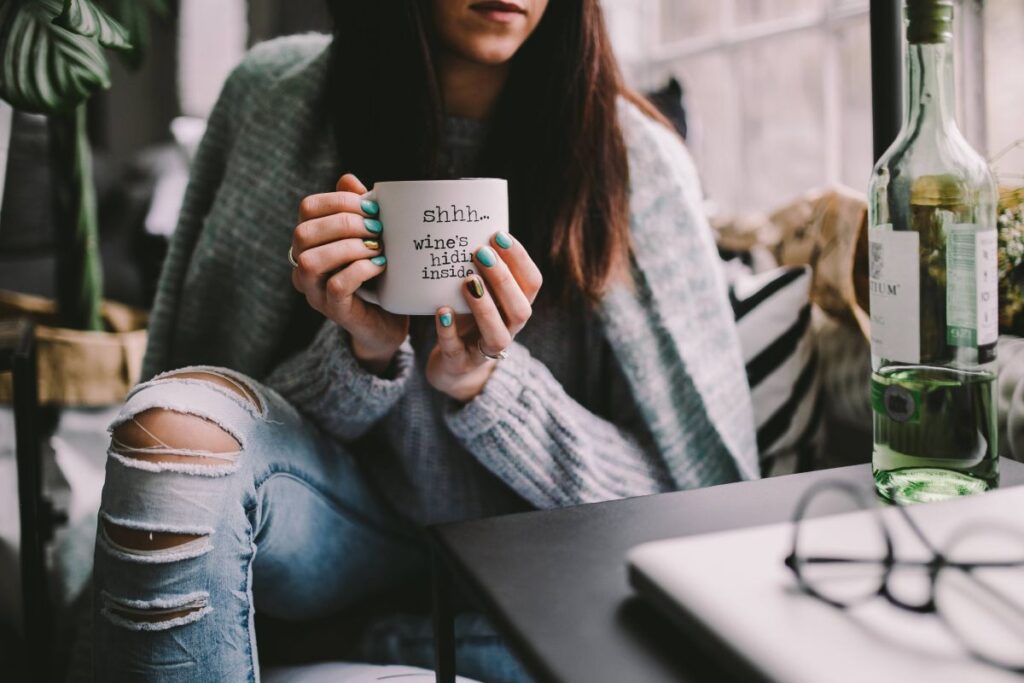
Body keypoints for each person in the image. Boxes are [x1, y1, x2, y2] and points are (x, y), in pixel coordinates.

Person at [91, 1, 759, 680]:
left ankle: (385, 639)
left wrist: (491, 386)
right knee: (177, 436)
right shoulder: (277, 103)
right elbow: (234, 446)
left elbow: (686, 506)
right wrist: (360, 354)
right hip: (333, 533)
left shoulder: (634, 159)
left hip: (529, 558)